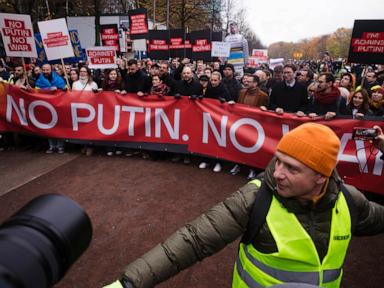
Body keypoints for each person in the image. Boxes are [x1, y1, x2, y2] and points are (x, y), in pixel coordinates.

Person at [104, 122, 384, 288]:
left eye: (292, 168)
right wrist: (128, 283)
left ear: (321, 176)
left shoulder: (350, 200)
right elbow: (193, 240)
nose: (276, 173)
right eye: (279, 161)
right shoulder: (255, 197)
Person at [230, 74, 269, 179]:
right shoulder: (242, 92)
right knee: (239, 145)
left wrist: (264, 108)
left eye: (249, 81)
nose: (246, 82)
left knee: (253, 148)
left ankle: (252, 169)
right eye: (245, 81)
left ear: (255, 83)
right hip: (242, 124)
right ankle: (238, 165)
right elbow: (239, 106)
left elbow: (267, 111)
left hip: (255, 126)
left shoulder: (263, 96)